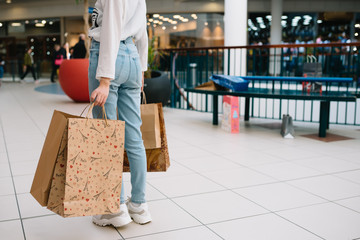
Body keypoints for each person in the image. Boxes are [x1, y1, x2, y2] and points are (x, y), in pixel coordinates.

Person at [88, 0, 150, 228]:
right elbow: (142, 32)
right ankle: (139, 205)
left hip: (110, 57)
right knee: (134, 137)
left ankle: (114, 209)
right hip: (133, 57)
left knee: (107, 139)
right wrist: (141, 71)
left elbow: (111, 29)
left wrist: (104, 80)